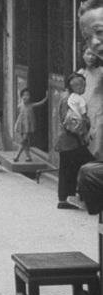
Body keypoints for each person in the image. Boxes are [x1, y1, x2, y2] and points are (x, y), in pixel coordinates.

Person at [55, 73, 92, 209]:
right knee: (87, 166)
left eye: (83, 84)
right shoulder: (70, 100)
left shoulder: (69, 98)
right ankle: (70, 197)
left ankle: (66, 198)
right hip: (71, 141)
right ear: (72, 86)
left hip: (69, 141)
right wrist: (85, 127)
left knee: (69, 169)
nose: (83, 87)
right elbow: (71, 123)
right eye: (79, 84)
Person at [78, 45, 103, 160]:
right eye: (88, 54)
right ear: (83, 55)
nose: (91, 57)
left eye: (94, 54)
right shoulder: (80, 73)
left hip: (99, 110)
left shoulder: (101, 72)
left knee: (98, 138)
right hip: (84, 110)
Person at [13, 87, 48, 162]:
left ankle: (17, 156)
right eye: (24, 95)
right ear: (21, 96)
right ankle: (28, 157)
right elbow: (18, 116)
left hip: (28, 126)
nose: (25, 97)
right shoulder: (20, 105)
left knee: (24, 141)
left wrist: (46, 97)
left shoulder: (31, 105)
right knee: (25, 142)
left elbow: (40, 103)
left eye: (27, 95)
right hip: (21, 125)